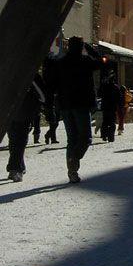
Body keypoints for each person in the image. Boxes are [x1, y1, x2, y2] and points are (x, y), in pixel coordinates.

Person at [53, 36, 104, 183]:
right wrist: (91, 50)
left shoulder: (60, 62)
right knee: (86, 138)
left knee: (72, 139)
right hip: (81, 104)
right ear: (81, 47)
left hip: (65, 105)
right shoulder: (85, 61)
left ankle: (72, 171)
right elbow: (101, 63)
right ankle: (74, 158)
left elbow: (54, 82)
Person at [6, 75, 45, 182]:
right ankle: (16, 168)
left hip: (16, 111)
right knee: (18, 141)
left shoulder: (10, 69)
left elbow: (41, 94)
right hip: (21, 110)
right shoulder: (30, 72)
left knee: (16, 140)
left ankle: (17, 167)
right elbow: (42, 95)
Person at [99, 74, 122, 142]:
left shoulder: (104, 86)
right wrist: (119, 105)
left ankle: (104, 135)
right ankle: (111, 137)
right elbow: (119, 98)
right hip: (112, 107)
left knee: (105, 122)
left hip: (105, 107)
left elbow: (99, 94)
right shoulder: (116, 87)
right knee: (112, 122)